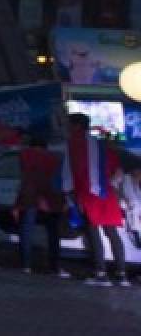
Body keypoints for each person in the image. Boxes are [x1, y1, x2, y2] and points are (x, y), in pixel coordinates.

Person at [62, 113, 127, 286]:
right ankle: (122, 275)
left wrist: (72, 195)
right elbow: (118, 171)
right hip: (108, 193)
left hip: (88, 193)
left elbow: (74, 172)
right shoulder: (101, 145)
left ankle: (101, 274)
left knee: (93, 233)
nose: (66, 127)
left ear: (76, 126)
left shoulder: (75, 143)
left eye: (68, 124)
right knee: (112, 233)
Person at [16, 134, 66, 277]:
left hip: (29, 195)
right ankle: (54, 266)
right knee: (53, 232)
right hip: (50, 196)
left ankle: (26, 265)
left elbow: (24, 174)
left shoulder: (24, 155)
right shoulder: (54, 158)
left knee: (26, 229)